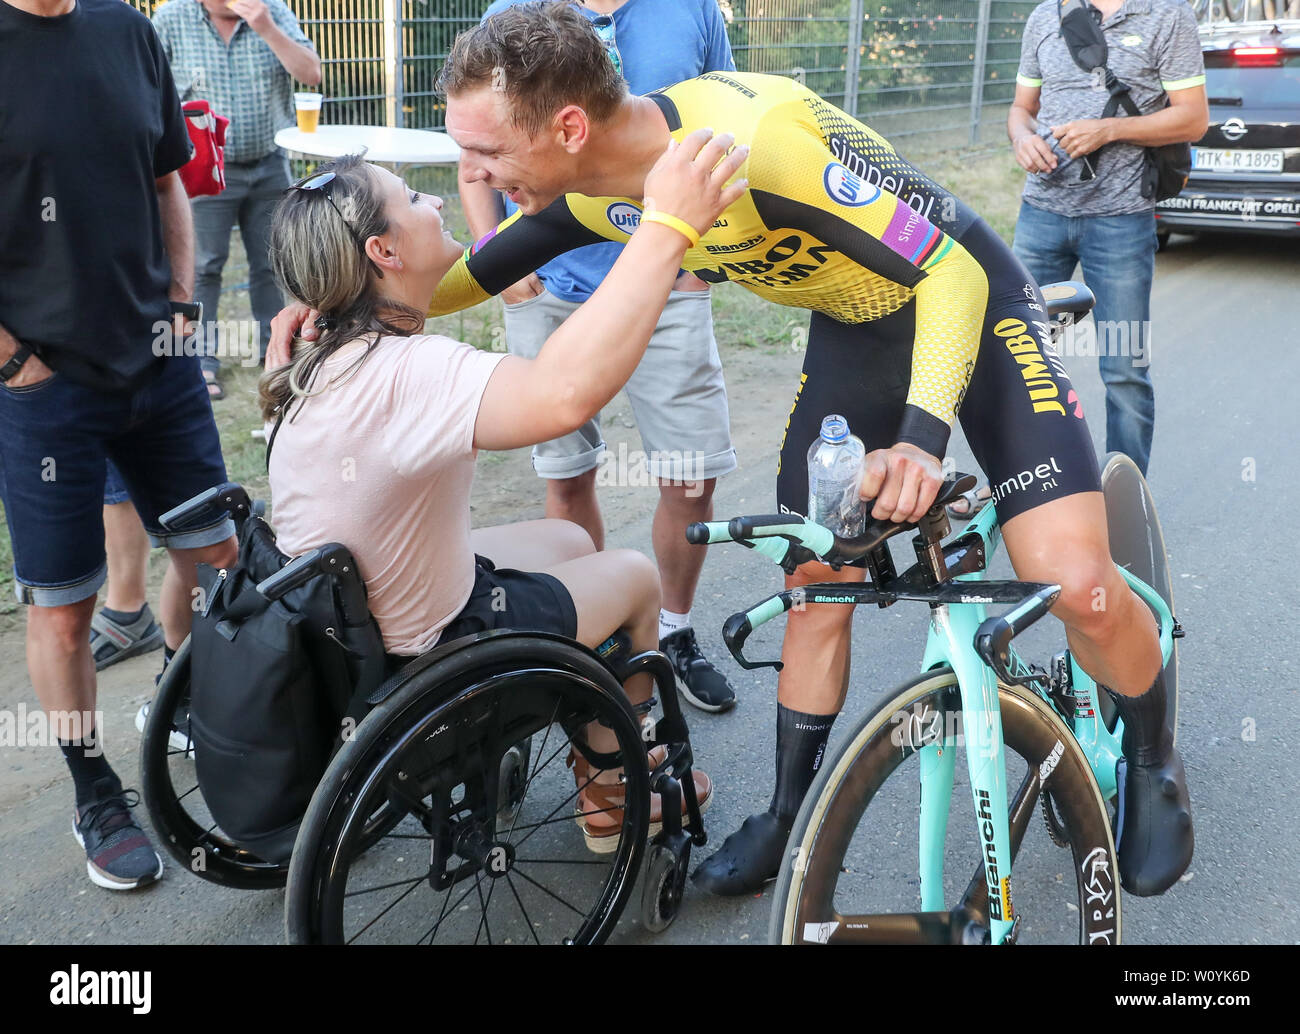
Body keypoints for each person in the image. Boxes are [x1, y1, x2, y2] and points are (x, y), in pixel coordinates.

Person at [269, 1, 1193, 901]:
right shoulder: (593, 189)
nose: (470, 172)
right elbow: (465, 277)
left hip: (972, 307)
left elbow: (946, 270)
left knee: (1080, 589)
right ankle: (791, 818)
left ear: (568, 126)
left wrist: (918, 443)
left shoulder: (758, 144)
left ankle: (1152, 759)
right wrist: (343, 302)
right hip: (856, 330)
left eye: (485, 152)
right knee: (814, 587)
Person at [261, 138, 745, 845]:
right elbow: (562, 397)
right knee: (636, 579)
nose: (435, 202)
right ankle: (611, 795)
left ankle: (589, 733)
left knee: (572, 540)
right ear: (383, 252)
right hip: (428, 647)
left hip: (350, 623)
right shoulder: (413, 370)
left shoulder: (320, 349)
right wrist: (668, 229)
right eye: (414, 198)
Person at [0, 0, 238, 890]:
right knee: (64, 607)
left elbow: (167, 177)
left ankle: (184, 697)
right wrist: (15, 361)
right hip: (43, 388)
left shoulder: (128, 30)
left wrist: (181, 305)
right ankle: (92, 788)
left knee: (215, 553)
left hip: (160, 360)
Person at [460, 0, 741, 712]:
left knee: (689, 479)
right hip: (552, 289)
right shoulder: (509, 17)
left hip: (669, 281)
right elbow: (477, 157)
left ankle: (670, 632)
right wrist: (500, 257)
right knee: (567, 477)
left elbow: (726, 129)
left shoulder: (691, 11)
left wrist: (701, 264)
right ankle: (592, 640)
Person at [1006, 0, 1207, 480]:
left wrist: (1108, 130)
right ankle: (1035, 488)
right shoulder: (1044, 17)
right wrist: (1021, 138)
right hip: (1041, 216)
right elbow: (1021, 108)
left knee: (1125, 370)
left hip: (1121, 221)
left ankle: (1123, 500)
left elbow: (1193, 120)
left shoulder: (1167, 16)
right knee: (1020, 361)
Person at [152, 0, 321, 398]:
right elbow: (148, 86)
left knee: (270, 264)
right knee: (203, 266)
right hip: (201, 169)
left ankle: (273, 351)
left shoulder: (272, 12)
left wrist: (266, 26)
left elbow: (311, 74)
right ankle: (200, 361)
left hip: (269, 163)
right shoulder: (172, 18)